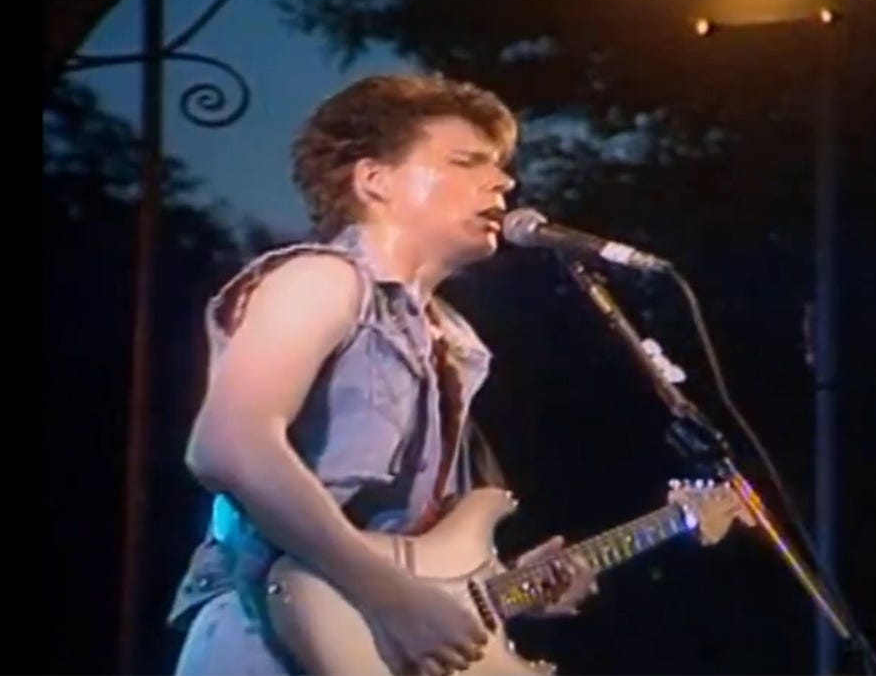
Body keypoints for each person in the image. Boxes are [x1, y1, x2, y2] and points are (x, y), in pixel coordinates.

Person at [167, 73, 598, 676]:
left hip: (365, 642)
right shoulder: (321, 279)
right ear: (375, 180)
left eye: (499, 166)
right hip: (264, 637)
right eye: (466, 161)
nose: (502, 181)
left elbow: (413, 546)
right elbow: (227, 446)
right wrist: (391, 597)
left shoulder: (452, 343)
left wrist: (503, 587)